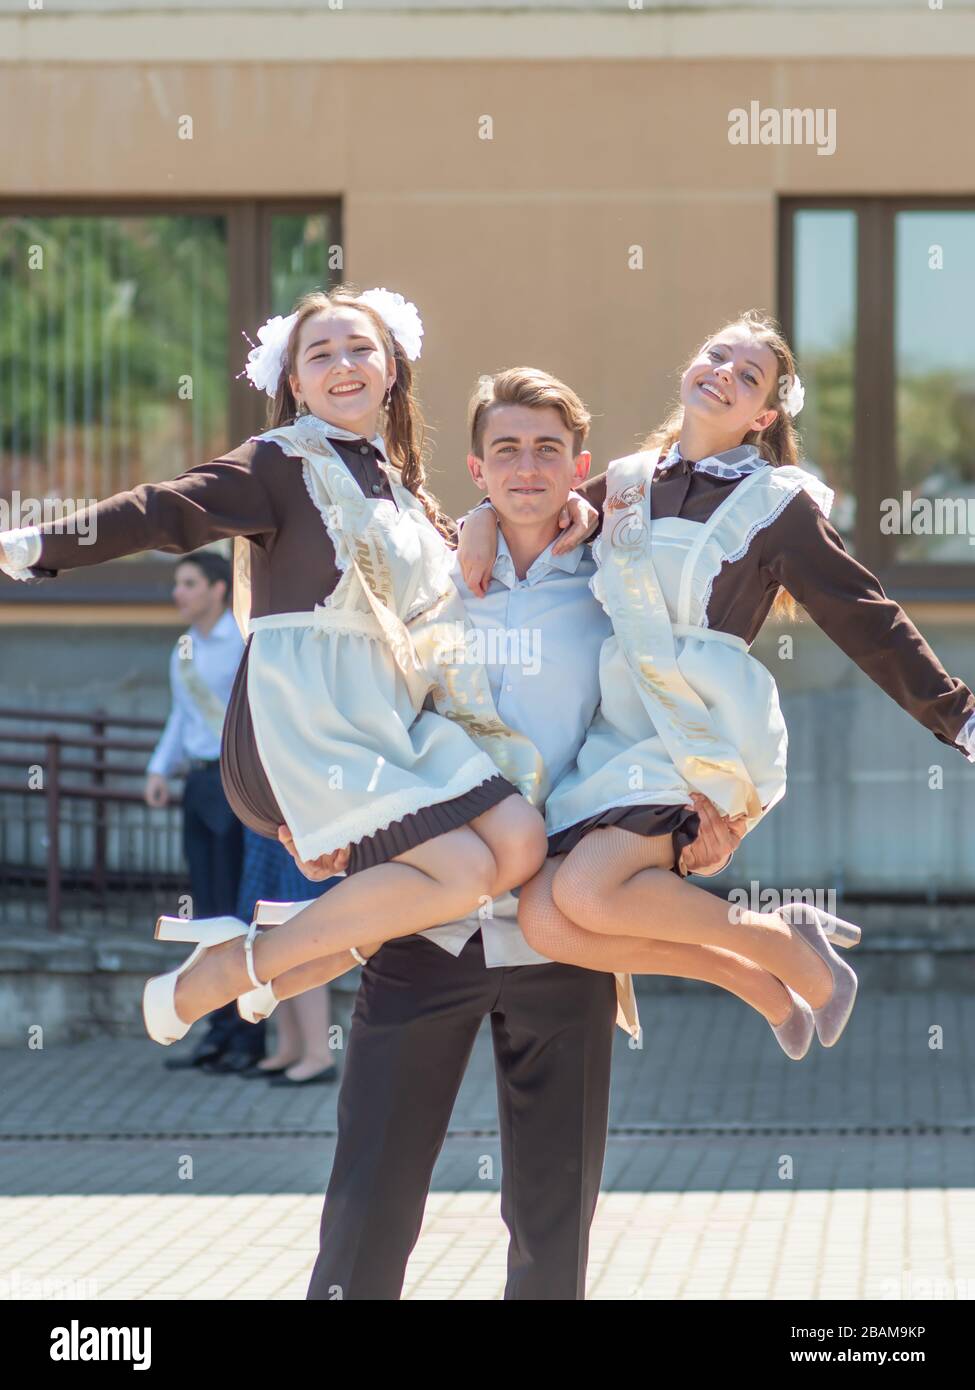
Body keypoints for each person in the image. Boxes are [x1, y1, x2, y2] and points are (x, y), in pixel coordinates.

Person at [239, 366, 741, 1300]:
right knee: (369, 1204)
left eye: (547, 449)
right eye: (505, 449)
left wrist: (703, 814)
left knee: (553, 1221)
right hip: (426, 926)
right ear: (475, 466)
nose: (526, 466)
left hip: (564, 933)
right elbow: (325, 683)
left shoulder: (615, 583)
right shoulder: (426, 573)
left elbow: (676, 700)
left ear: (577, 466)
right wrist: (303, 815)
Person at [0, 284, 595, 1047]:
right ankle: (247, 968)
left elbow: (458, 554)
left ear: (391, 372)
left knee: (517, 846)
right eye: (320, 354)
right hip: (316, 721)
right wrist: (33, 544)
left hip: (395, 716)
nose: (342, 365)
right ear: (294, 381)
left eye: (360, 350)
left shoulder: (396, 484)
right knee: (462, 871)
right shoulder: (280, 462)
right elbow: (163, 508)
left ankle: (281, 951)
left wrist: (512, 514)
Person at [459, 311, 975, 1060]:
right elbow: (534, 508)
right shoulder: (628, 485)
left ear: (763, 414)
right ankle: (761, 982)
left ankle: (787, 947)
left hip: (697, 726)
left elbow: (864, 616)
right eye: (715, 356)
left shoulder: (778, 505)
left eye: (747, 375)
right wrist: (478, 516)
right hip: (617, 725)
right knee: (543, 919)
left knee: (583, 893)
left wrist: (957, 717)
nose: (722, 374)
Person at [141, 549, 258, 1073]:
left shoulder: (242, 641)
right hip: (198, 787)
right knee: (208, 912)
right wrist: (158, 770)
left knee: (237, 910)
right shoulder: (183, 650)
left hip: (235, 787)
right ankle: (215, 1029)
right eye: (176, 584)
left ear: (217, 588)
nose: (177, 593)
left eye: (188, 583)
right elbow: (180, 716)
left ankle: (247, 1036)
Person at [234, 828, 340, 1086]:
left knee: (300, 933)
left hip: (297, 823)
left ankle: (319, 1055)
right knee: (274, 928)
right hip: (270, 827)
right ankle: (289, 1048)